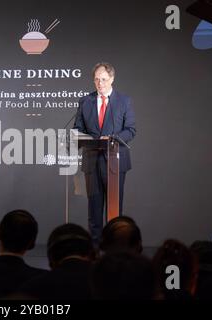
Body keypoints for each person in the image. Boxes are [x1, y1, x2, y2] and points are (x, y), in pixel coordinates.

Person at [73, 62, 136, 246]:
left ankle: (115, 247)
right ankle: (94, 248)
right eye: (96, 80)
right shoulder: (85, 101)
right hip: (91, 161)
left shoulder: (124, 101)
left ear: (112, 79)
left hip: (115, 162)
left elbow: (131, 130)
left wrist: (113, 138)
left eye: (104, 80)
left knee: (114, 210)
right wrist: (79, 136)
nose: (100, 84)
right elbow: (77, 129)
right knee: (94, 208)